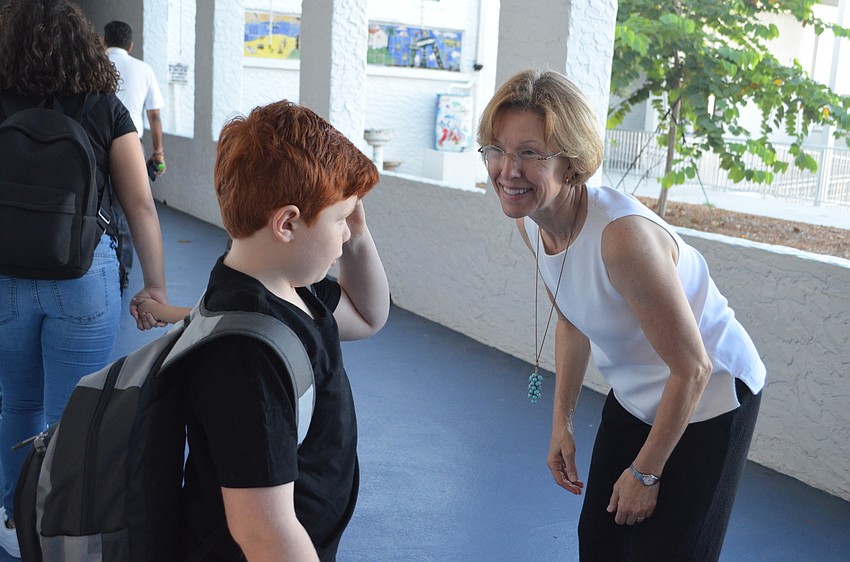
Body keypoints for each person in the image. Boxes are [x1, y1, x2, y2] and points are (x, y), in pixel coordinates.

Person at [477, 68, 765, 562]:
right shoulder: (534, 222)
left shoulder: (622, 238)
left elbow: (692, 367)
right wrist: (561, 422)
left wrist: (646, 473)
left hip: (711, 396)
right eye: (497, 149)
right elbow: (571, 319)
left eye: (530, 152)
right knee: (601, 543)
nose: (508, 169)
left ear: (571, 163)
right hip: (637, 395)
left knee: (669, 552)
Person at [177, 100, 389, 561]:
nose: (347, 236)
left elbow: (371, 316)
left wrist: (358, 229)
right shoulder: (245, 353)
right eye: (340, 221)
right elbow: (262, 531)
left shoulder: (294, 287)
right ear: (288, 223)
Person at [0, 0, 169, 557]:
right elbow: (140, 205)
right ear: (84, 45)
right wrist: (155, 287)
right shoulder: (106, 109)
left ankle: (12, 513)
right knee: (79, 409)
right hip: (83, 276)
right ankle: (63, 521)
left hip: (4, 278)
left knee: (17, 403)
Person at [103, 19, 166, 285]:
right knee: (130, 208)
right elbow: (154, 117)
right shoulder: (144, 69)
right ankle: (123, 272)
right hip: (131, 145)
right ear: (130, 44)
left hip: (93, 144)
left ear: (103, 41)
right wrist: (159, 152)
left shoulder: (94, 64)